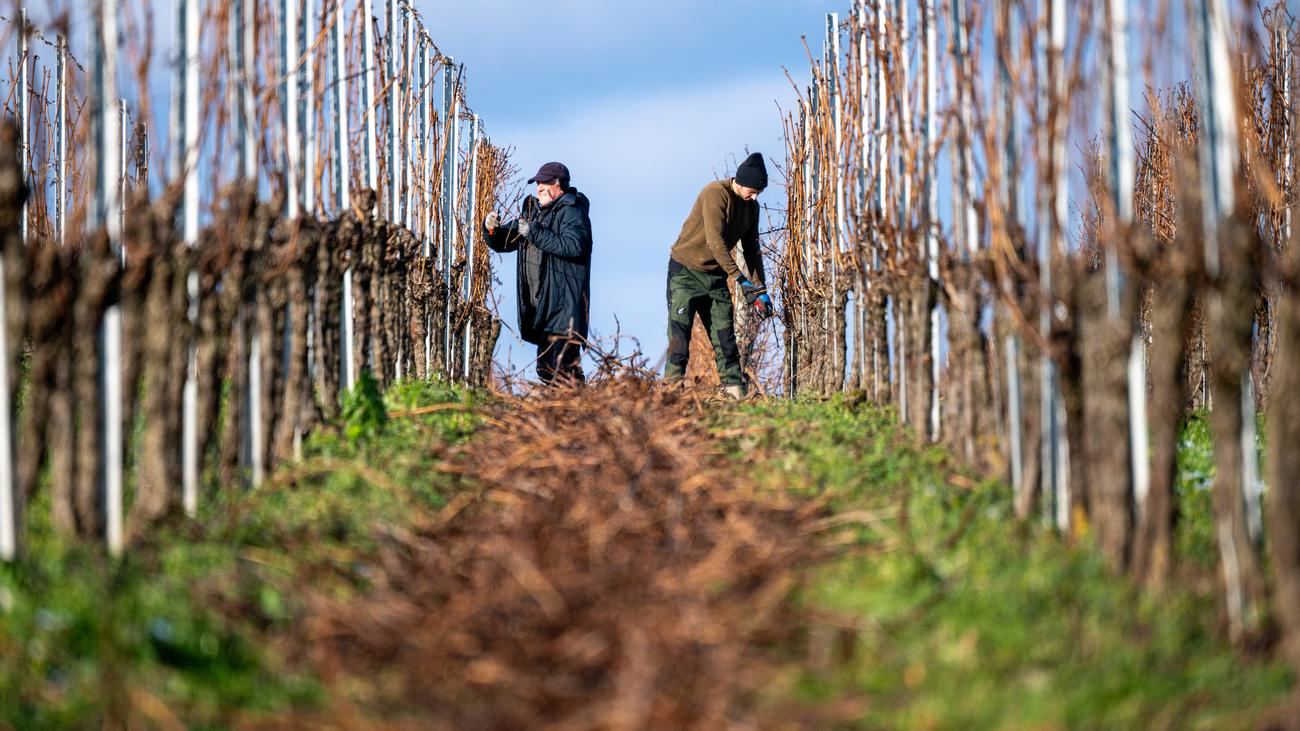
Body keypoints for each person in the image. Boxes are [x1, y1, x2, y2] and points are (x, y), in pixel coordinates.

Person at [663, 152, 775, 398]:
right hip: (685, 273)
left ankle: (734, 396)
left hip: (716, 279)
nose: (755, 196)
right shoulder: (715, 193)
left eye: (759, 192)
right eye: (753, 191)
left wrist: (760, 288)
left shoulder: (751, 207)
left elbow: (752, 249)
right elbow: (715, 242)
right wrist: (741, 280)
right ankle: (670, 397)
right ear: (741, 182)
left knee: (726, 340)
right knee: (679, 342)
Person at [483, 161, 593, 385]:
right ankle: (579, 402)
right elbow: (505, 241)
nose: (539, 187)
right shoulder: (534, 214)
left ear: (559, 184)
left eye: (545, 183)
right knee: (546, 371)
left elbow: (574, 246)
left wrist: (534, 232)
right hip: (543, 311)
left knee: (560, 372)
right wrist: (491, 229)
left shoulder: (573, 212)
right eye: (537, 183)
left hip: (564, 311)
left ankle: (578, 404)